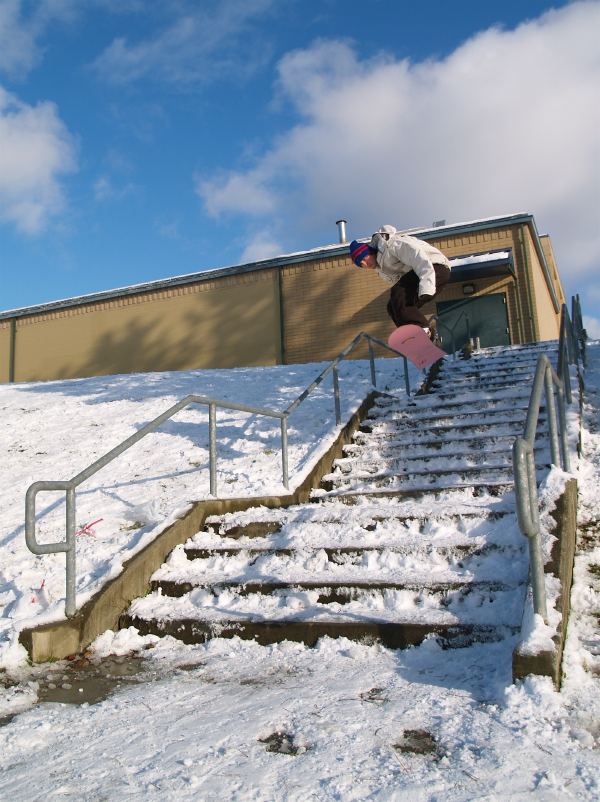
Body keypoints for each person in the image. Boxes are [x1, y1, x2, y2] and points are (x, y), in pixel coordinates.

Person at [349, 225, 451, 337]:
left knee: (398, 293)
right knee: (393, 306)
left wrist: (427, 285)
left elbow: (419, 259)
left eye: (363, 258)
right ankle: (416, 337)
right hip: (422, 274)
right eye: (360, 265)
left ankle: (423, 330)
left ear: (370, 252)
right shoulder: (382, 267)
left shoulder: (391, 245)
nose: (364, 264)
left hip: (435, 267)